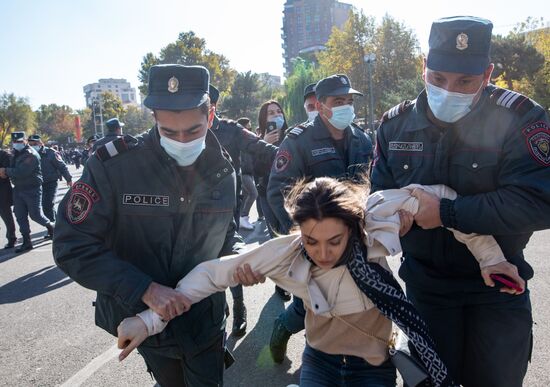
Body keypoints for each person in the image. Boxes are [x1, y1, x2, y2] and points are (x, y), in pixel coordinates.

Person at [117, 176, 463, 387]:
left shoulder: (376, 224)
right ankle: (281, 334)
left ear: (354, 228)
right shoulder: (286, 252)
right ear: (299, 232)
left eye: (335, 241)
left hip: (372, 369)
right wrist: (148, 321)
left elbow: (441, 196)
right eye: (312, 241)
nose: (322, 253)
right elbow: (212, 274)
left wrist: (492, 258)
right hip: (320, 365)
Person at [371, 16, 550, 386]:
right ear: (423, 67)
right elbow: (377, 198)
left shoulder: (520, 119)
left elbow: (538, 201)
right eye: (438, 78)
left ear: (487, 74)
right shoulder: (394, 126)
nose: (449, 90)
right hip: (427, 291)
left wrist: (448, 212)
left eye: (465, 81)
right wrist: (391, 221)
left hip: (497, 288)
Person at [53, 64, 245, 387]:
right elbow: (71, 244)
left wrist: (239, 258)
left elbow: (228, 233)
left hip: (204, 321)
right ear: (154, 118)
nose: (182, 141)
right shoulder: (114, 167)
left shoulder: (223, 171)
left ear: (210, 117)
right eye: (170, 132)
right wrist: (145, 289)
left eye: (193, 131)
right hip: (148, 326)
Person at [266, 74, 373, 363]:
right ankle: (282, 329)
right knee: (313, 301)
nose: (346, 108)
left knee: (350, 297)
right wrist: (303, 238)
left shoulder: (361, 138)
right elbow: (278, 192)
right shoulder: (299, 141)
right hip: (317, 243)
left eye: (349, 101)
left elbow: (375, 184)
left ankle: (350, 359)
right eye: (339, 102)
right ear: (320, 105)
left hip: (355, 238)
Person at [209, 85, 278, 337]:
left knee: (228, 254)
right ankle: (219, 308)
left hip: (227, 207)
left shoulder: (231, 130)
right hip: (194, 209)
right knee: (206, 258)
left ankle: (239, 307)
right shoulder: (186, 132)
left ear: (211, 106)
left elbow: (262, 148)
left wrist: (291, 157)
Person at [0, 132, 54, 252]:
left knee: (36, 215)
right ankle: (27, 241)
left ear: (25, 141)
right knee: (20, 216)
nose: (17, 144)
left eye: (19, 141)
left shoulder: (31, 154)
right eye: (15, 142)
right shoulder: (15, 153)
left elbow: (21, 171)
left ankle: (52, 227)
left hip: (31, 188)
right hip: (18, 188)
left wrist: (5, 171)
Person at [28, 134, 72, 224]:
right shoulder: (29, 154)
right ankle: (57, 224)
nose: (33, 146)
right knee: (44, 206)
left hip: (51, 183)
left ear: (40, 143)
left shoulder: (50, 153)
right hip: (38, 184)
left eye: (34, 143)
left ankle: (53, 227)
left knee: (48, 204)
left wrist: (68, 179)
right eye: (30, 144)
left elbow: (62, 166)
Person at [236, 117, 258, 231]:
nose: (250, 127)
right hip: (243, 172)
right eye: (248, 125)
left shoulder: (248, 139)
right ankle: (243, 217)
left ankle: (240, 219)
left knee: (245, 196)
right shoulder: (239, 140)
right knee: (254, 193)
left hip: (249, 171)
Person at [0, 148, 17, 248]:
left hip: (2, 191)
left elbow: (4, 174)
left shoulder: (3, 154)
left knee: (6, 216)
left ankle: (12, 238)